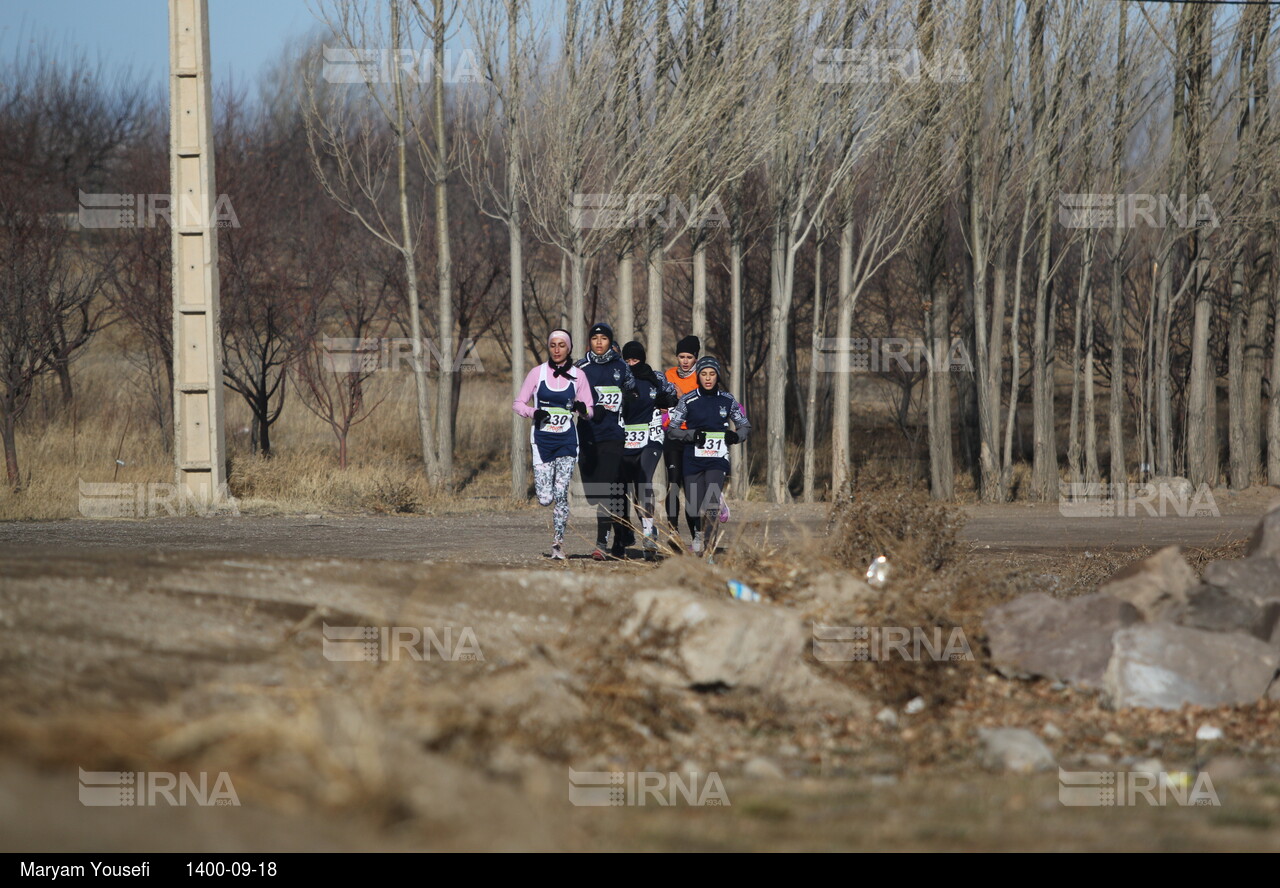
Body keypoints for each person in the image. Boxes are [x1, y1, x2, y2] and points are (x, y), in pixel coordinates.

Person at [511, 329, 594, 560]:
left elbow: (591, 411)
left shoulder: (579, 376)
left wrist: (583, 410)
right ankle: (555, 531)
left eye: (561, 345)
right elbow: (517, 404)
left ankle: (558, 544)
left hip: (567, 441)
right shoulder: (537, 373)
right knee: (545, 498)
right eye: (553, 345)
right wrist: (533, 412)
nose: (557, 350)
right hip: (542, 442)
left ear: (569, 348)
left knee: (560, 493)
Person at [665, 355, 749, 561]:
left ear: (717, 376)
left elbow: (745, 425)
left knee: (711, 502)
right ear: (698, 376)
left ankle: (709, 550)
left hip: (717, 459)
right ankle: (698, 535)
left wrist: (735, 436)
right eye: (704, 374)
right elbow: (672, 430)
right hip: (693, 457)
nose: (708, 378)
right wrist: (693, 435)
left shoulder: (727, 400)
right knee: (693, 504)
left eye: (712, 374)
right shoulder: (688, 399)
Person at [575, 322, 637, 560]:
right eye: (595, 338)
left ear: (610, 341)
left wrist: (623, 399)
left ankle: (603, 543)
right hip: (588, 435)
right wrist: (584, 407)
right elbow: (569, 396)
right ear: (589, 342)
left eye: (603, 338)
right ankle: (623, 529)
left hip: (613, 435)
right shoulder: (580, 367)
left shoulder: (620, 366)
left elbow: (633, 393)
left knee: (607, 488)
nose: (599, 342)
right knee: (594, 494)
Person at [619, 340, 680, 560]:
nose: (631, 364)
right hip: (628, 438)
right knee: (635, 492)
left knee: (644, 480)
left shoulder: (657, 377)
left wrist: (668, 400)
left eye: (635, 359)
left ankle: (647, 534)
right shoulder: (621, 379)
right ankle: (649, 529)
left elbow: (675, 395)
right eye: (627, 360)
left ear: (642, 359)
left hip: (652, 437)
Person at [662, 335, 701, 550]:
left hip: (693, 439)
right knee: (673, 484)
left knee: (692, 489)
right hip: (673, 436)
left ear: (696, 358)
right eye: (681, 356)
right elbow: (660, 400)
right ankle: (673, 531)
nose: (685, 361)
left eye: (689, 357)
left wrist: (681, 397)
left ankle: (696, 533)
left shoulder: (701, 377)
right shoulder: (668, 375)